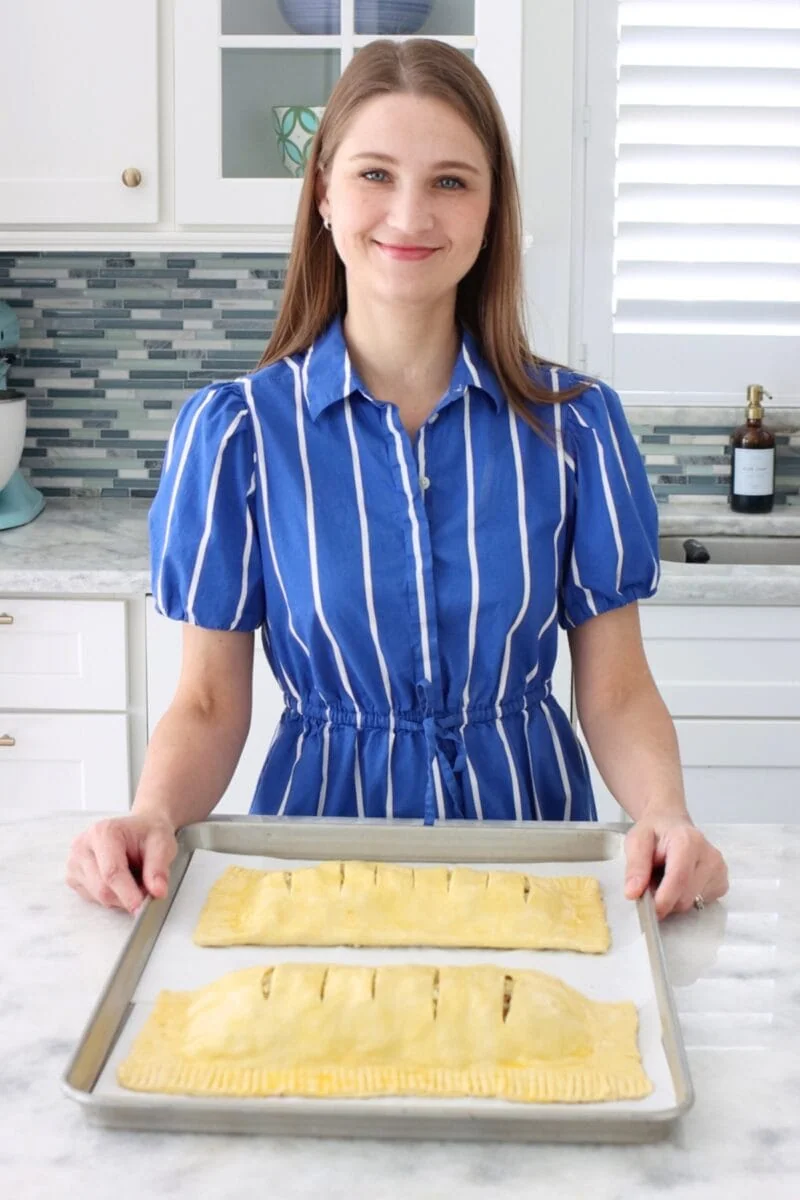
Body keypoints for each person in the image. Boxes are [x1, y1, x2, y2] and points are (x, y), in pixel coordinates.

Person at [66, 38, 728, 921]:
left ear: (492, 212)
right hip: (317, 862)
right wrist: (151, 814)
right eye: (376, 174)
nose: (410, 215)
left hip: (531, 859)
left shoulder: (576, 427)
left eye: (451, 181)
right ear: (324, 198)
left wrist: (665, 814)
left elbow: (614, 690)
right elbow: (209, 700)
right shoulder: (237, 435)